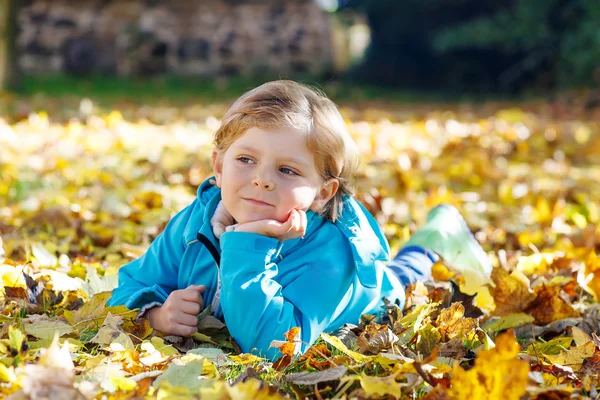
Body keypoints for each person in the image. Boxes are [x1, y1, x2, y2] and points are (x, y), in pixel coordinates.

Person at [108, 80, 492, 360]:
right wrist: (156, 315)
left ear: (323, 192)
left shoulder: (331, 253)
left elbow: (273, 347)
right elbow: (131, 285)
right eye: (245, 160)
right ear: (219, 168)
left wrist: (249, 245)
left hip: (370, 293)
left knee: (404, 277)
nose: (261, 179)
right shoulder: (195, 223)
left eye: (288, 170)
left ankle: (434, 239)